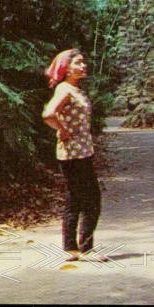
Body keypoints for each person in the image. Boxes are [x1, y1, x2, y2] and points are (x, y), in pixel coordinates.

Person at [42, 48, 107, 261]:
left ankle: (71, 248)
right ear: (66, 69)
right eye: (78, 63)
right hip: (73, 153)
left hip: (81, 151)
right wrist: (62, 129)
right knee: (91, 199)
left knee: (75, 198)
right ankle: (86, 249)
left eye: (83, 62)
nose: (83, 66)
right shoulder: (65, 90)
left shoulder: (74, 89)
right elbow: (48, 114)